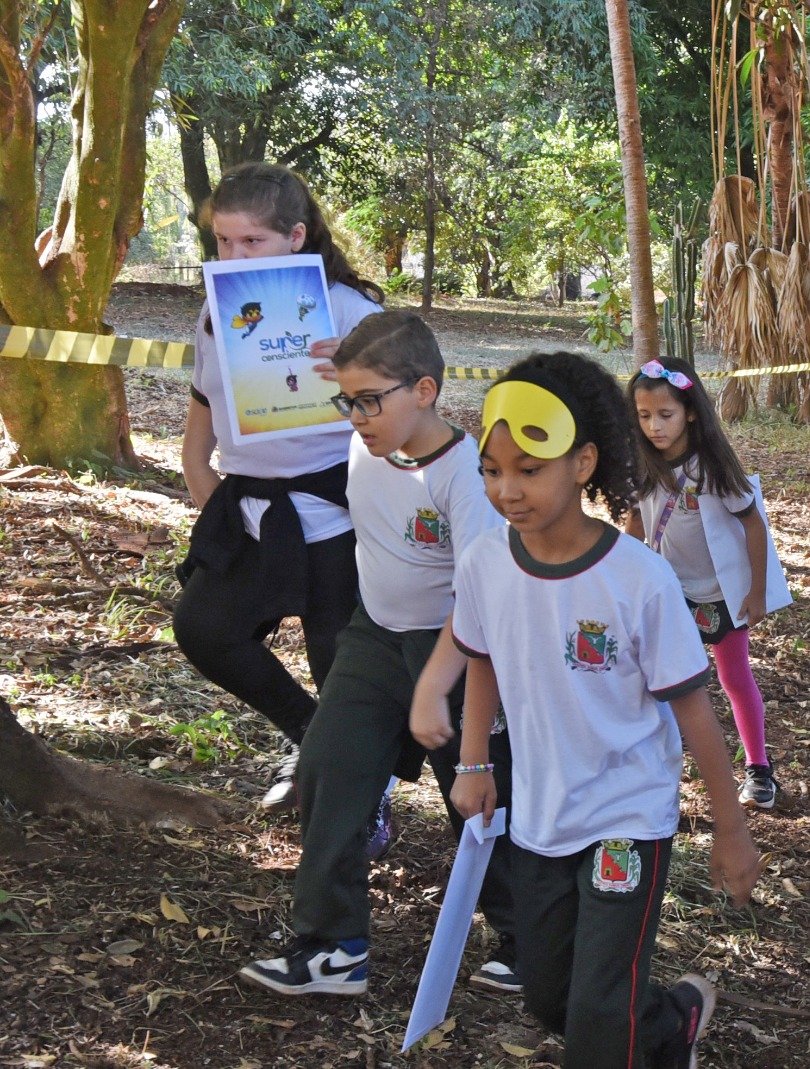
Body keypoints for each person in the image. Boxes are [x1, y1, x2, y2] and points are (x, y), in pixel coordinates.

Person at [449, 352, 760, 1068]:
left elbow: (694, 708)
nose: (508, 490)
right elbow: (482, 658)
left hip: (627, 815)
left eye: (530, 469)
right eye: (493, 471)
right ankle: (673, 1019)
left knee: (594, 1016)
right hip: (540, 815)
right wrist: (472, 760)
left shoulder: (639, 579)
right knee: (549, 995)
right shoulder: (484, 563)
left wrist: (730, 829)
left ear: (583, 460)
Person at [237, 311, 520, 996]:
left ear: (424, 390)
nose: (356, 414)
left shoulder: (465, 477)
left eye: (370, 399)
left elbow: (483, 601)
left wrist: (440, 686)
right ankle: (333, 946)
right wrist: (340, 361)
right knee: (329, 767)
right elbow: (282, 379)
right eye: (348, 398)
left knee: (479, 798)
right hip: (373, 635)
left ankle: (531, 936)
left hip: (455, 648)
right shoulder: (367, 438)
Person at [175, 162, 383, 811]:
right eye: (223, 242)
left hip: (340, 516)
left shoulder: (354, 311)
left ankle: (359, 800)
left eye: (251, 242)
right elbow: (200, 428)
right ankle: (310, 735)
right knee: (204, 625)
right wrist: (210, 492)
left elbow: (409, 427)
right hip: (253, 512)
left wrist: (357, 381)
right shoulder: (218, 314)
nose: (234, 256)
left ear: (295, 237)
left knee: (340, 665)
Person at [626, 357, 793, 809]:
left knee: (734, 677)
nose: (655, 427)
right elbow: (636, 524)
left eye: (665, 415)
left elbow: (753, 524)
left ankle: (758, 769)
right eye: (644, 416)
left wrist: (755, 592)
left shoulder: (713, 466)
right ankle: (650, 771)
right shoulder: (643, 463)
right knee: (654, 679)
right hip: (668, 592)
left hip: (721, 595)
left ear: (691, 412)